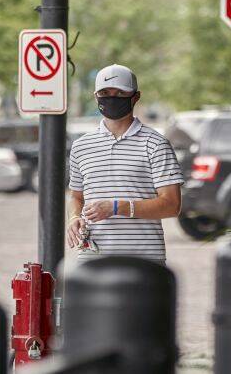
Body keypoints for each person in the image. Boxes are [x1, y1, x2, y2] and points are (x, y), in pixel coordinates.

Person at [66, 64, 184, 263]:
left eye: (120, 92)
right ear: (96, 96)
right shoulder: (81, 146)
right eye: (105, 92)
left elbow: (172, 205)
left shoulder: (155, 144)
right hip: (91, 261)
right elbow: (77, 197)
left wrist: (117, 207)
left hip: (143, 262)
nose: (111, 97)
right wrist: (74, 218)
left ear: (135, 97)